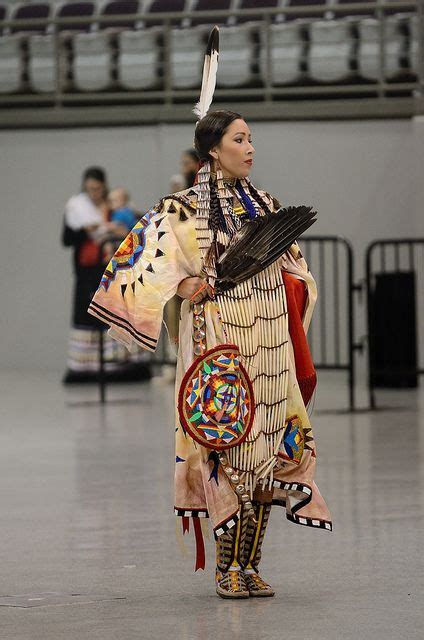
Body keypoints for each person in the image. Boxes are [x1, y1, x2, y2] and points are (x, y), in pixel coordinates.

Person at [88, 29, 332, 599]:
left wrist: (292, 283)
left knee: (272, 447)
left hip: (270, 341)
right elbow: (134, 268)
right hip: (221, 346)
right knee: (228, 448)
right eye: (241, 139)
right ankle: (226, 568)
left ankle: (251, 564)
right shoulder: (183, 209)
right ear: (214, 148)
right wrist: (184, 284)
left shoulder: (266, 204)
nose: (251, 147)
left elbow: (299, 269)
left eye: (252, 138)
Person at [62, 167, 150, 383]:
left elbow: (133, 225)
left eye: (98, 188)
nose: (94, 193)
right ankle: (88, 369)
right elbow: (67, 239)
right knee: (89, 316)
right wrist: (84, 230)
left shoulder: (113, 206)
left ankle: (122, 366)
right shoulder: (77, 209)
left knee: (114, 315)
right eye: (90, 189)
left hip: (112, 270)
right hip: (86, 271)